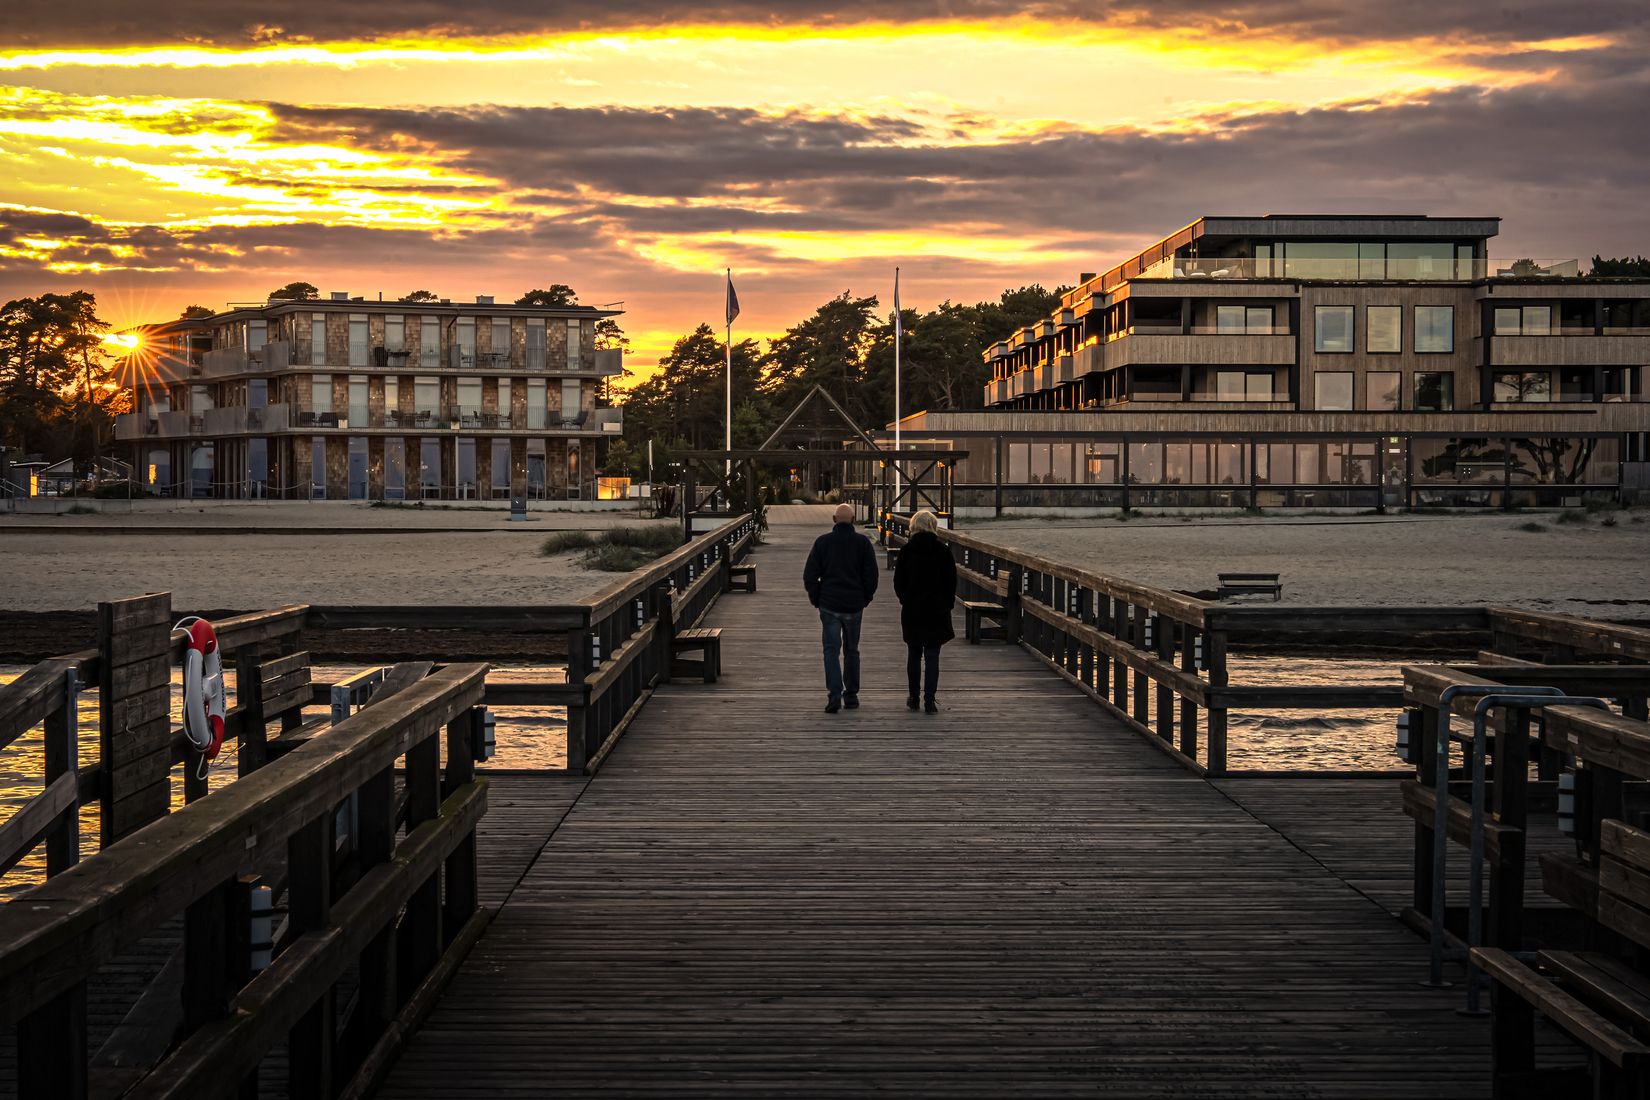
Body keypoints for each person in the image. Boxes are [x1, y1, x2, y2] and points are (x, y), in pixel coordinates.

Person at [803, 502, 878, 713]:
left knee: (831, 651)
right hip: (854, 605)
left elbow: (810, 574)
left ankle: (834, 695)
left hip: (829, 604)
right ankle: (851, 695)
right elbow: (871, 575)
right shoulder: (863, 543)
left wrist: (817, 598)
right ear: (853, 520)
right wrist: (865, 597)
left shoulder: (823, 543)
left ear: (834, 520)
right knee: (852, 650)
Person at [892, 509, 957, 714]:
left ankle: (913, 697)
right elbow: (951, 582)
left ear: (913, 527)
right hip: (937, 610)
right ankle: (929, 700)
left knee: (914, 653)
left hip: (913, 609)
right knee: (932, 655)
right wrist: (947, 604)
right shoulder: (943, 551)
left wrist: (905, 599)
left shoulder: (907, 551)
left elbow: (898, 582)